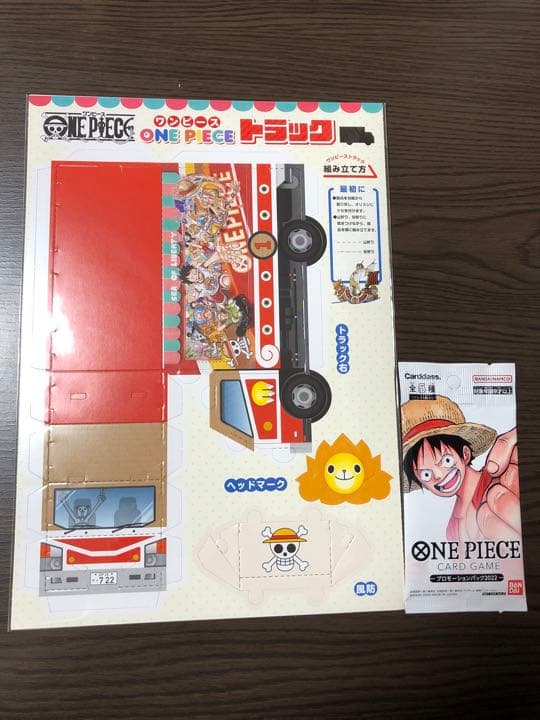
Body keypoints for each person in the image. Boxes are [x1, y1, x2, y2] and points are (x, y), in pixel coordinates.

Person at [401, 395, 520, 541]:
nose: (438, 475)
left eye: (446, 460)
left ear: (465, 454)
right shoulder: (452, 529)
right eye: (426, 474)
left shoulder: (501, 480)